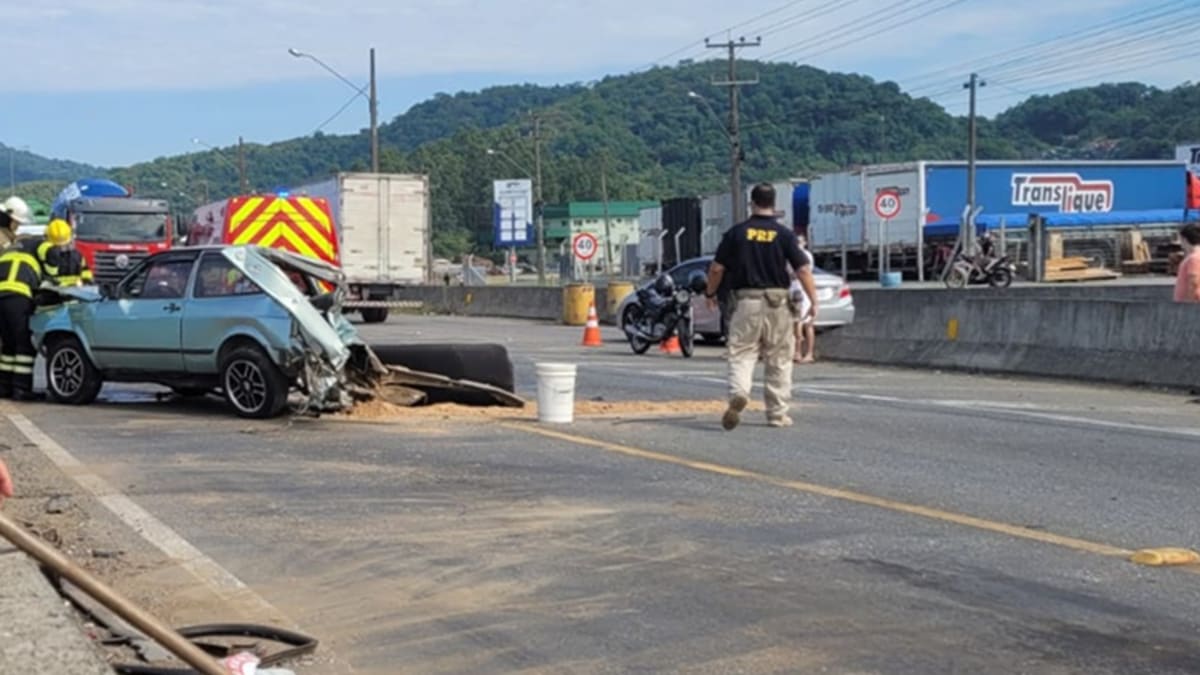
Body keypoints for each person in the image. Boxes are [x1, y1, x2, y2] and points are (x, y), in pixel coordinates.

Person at [705, 183, 817, 430]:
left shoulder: (737, 233)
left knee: (742, 352)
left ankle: (740, 392)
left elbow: (716, 268)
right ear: (774, 203)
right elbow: (803, 270)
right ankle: (777, 414)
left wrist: (710, 292)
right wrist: (813, 300)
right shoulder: (784, 234)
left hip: (747, 301)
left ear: (752, 203)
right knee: (779, 358)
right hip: (778, 303)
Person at [0, 235, 45, 400]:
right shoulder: (33, 258)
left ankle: (4, 386)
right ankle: (21, 388)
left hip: (1, 299)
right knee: (24, 344)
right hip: (19, 299)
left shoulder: (7, 254)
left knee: (8, 345)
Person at [37, 219, 94, 286]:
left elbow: (85, 269)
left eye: (64, 244)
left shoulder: (77, 254)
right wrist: (56, 283)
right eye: (58, 246)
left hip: (76, 291)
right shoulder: (45, 254)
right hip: (52, 292)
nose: (62, 247)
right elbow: (43, 275)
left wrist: (86, 280)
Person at [790, 235, 816, 364]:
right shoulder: (791, 255)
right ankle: (797, 351)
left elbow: (801, 272)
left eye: (800, 241)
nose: (798, 244)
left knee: (804, 323)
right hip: (794, 289)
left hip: (801, 291)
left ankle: (805, 352)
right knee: (797, 323)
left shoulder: (804, 255)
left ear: (805, 243)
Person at [1174, 223, 1200, 303]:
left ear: (1184, 239)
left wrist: (1189, 305)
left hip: (1188, 305)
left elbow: (1193, 283)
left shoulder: (1193, 258)